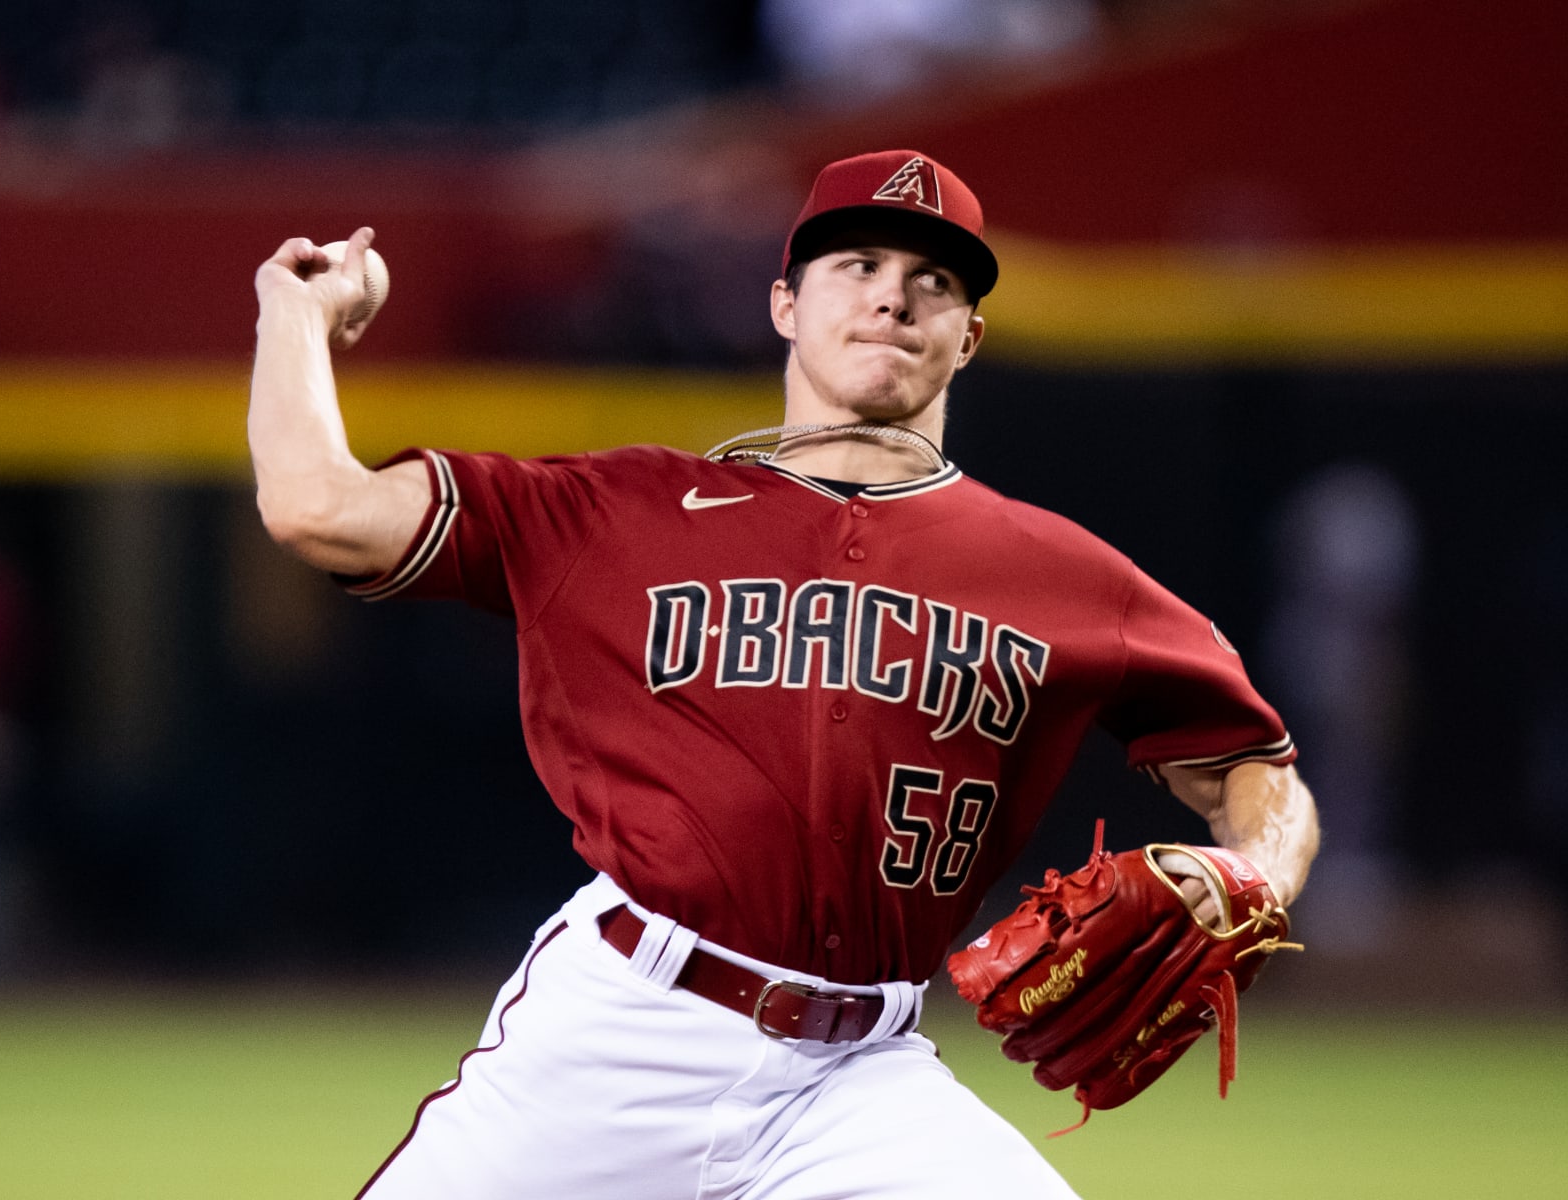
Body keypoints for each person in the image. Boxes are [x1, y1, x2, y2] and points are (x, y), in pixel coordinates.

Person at [249, 148, 1320, 1200]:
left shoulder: (1069, 576)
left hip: (862, 1078)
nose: (893, 299)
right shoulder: (609, 510)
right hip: (621, 1037)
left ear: (970, 336)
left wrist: (1260, 873)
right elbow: (316, 506)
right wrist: (294, 317)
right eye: (857, 267)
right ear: (783, 307)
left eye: (932, 282)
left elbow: (1258, 769)